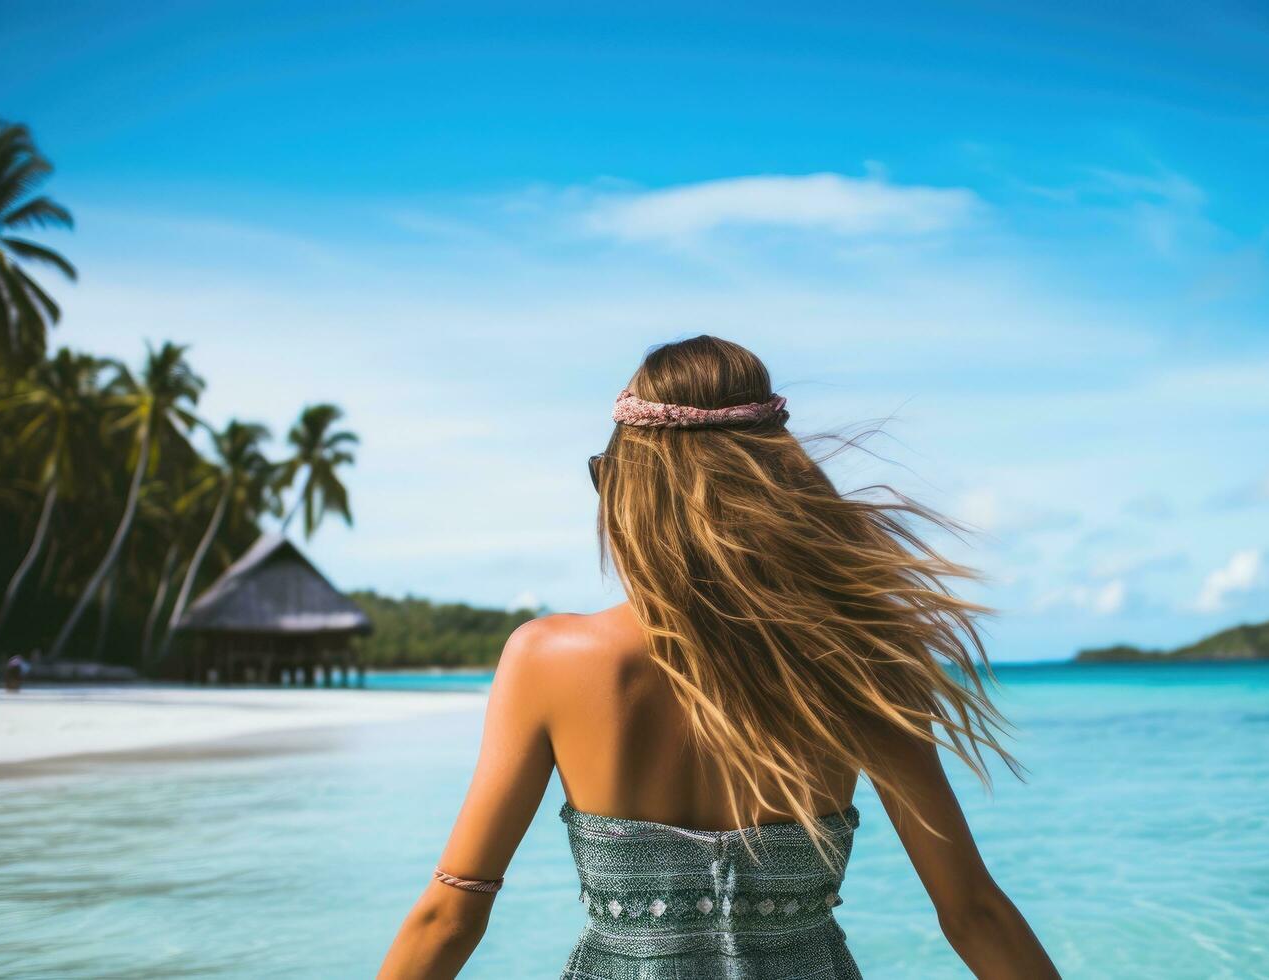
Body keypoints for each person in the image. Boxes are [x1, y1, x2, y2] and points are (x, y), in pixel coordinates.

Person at [378, 337, 1059, 979]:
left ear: (618, 485)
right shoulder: (859, 661)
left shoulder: (550, 659)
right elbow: (971, 912)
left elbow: (452, 914)